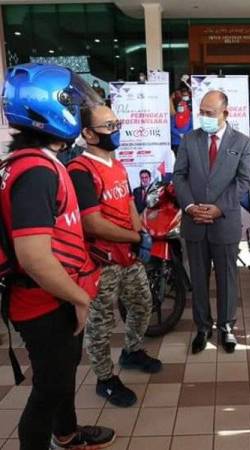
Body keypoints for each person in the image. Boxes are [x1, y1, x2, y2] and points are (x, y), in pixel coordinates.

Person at [0, 63, 115, 449]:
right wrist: (80, 298)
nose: (84, 113)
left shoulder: (42, 161)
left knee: (64, 377)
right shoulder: (36, 172)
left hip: (56, 296)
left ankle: (67, 434)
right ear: (53, 108)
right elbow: (33, 257)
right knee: (49, 389)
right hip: (43, 302)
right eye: (76, 104)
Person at [67, 104, 162, 408]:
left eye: (116, 123)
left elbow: (129, 204)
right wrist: (136, 237)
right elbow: (92, 223)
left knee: (142, 304)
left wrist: (140, 231)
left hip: (128, 256)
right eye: (108, 126)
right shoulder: (80, 170)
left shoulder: (117, 164)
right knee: (100, 324)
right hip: (101, 262)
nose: (116, 130)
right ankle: (105, 379)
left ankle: (131, 351)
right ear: (87, 133)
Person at [173, 91, 250, 355]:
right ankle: (202, 327)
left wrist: (219, 208)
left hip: (224, 221)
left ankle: (226, 327)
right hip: (194, 220)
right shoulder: (189, 139)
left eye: (210, 113)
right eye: (202, 112)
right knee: (198, 277)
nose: (204, 117)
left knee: (227, 278)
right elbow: (180, 175)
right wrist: (190, 206)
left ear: (225, 114)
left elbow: (242, 181)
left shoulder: (241, 142)